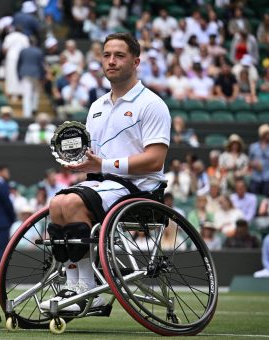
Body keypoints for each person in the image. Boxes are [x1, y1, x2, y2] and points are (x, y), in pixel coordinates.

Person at [41, 32, 171, 313]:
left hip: (140, 190)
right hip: (103, 187)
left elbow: (155, 160)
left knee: (71, 202)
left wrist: (102, 166)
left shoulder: (152, 104)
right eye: (107, 55)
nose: (111, 61)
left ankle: (87, 289)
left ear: (136, 62)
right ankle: (74, 284)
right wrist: (80, 162)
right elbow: (95, 158)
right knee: (57, 202)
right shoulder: (96, 106)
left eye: (120, 56)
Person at [17, 36, 45, 118]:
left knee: (27, 94)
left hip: (25, 73)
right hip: (36, 73)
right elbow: (41, 65)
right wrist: (42, 76)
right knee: (36, 92)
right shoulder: (39, 51)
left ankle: (27, 113)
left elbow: (19, 64)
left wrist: (18, 75)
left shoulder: (23, 51)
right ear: (35, 42)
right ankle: (34, 108)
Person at [249, 124, 269, 195]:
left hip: (267, 177)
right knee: (254, 197)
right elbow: (250, 161)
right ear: (263, 135)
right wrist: (254, 164)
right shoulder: (253, 147)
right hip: (256, 177)